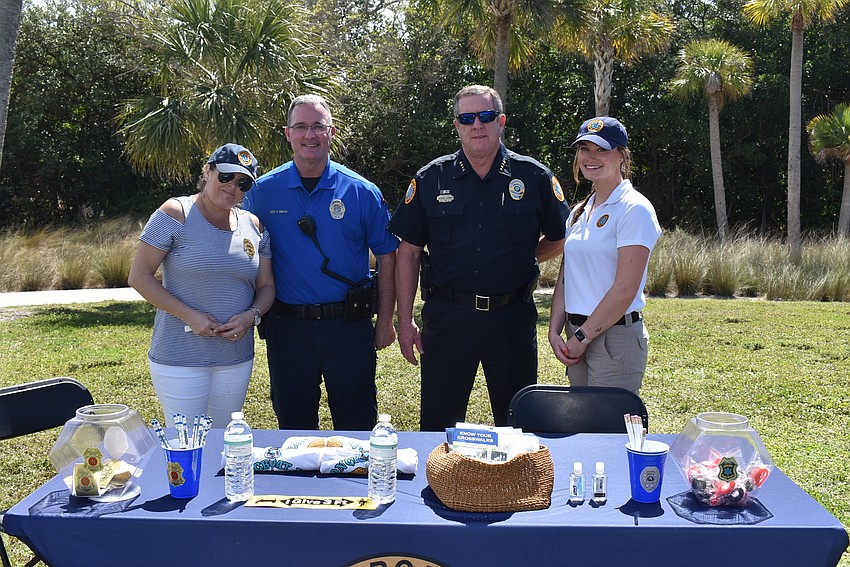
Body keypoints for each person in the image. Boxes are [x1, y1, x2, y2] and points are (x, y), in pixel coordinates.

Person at [390, 85, 569, 431]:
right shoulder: (431, 178)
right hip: (448, 322)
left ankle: (517, 486)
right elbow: (408, 252)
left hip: (511, 321)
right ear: (456, 126)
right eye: (467, 118)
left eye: (486, 117)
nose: (477, 125)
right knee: (439, 425)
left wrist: (523, 255)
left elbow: (562, 237)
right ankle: (441, 484)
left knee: (517, 427)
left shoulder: (532, 177)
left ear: (501, 122)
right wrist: (405, 319)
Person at [243, 94, 398, 431]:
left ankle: (357, 485)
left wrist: (386, 319)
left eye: (317, 127)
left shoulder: (361, 191)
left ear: (332, 132)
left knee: (357, 426)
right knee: (294, 428)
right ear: (287, 133)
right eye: (301, 127)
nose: (309, 135)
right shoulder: (262, 192)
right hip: (288, 328)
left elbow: (388, 254)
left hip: (349, 327)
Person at [129, 143, 275, 428]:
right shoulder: (175, 212)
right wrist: (190, 316)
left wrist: (251, 316)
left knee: (222, 441)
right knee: (186, 444)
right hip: (180, 357)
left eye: (243, 182)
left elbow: (267, 286)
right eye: (226, 176)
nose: (232, 186)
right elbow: (139, 277)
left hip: (235, 359)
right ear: (207, 171)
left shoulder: (254, 225)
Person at [548, 117, 661, 394]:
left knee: (608, 431)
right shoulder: (579, 212)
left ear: (622, 154)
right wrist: (555, 329)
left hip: (614, 338)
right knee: (583, 430)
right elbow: (567, 276)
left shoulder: (634, 209)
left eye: (601, 149)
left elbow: (625, 289)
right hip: (576, 334)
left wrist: (583, 336)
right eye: (584, 148)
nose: (591, 157)